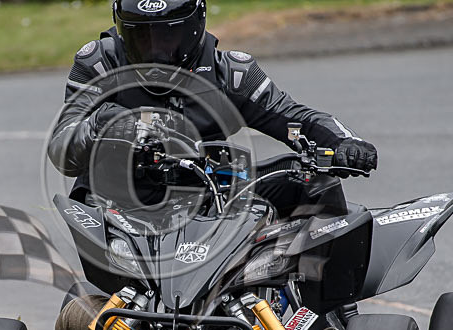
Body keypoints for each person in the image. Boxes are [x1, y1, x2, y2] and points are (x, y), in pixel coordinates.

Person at [47, 0, 378, 215]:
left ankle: (321, 294)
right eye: (141, 37)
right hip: (118, 204)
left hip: (207, 196)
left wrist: (343, 143)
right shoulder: (99, 65)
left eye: (167, 35)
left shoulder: (231, 74)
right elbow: (62, 149)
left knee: (314, 184)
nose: (155, 49)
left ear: (194, 27)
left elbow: (294, 120)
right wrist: (102, 123)